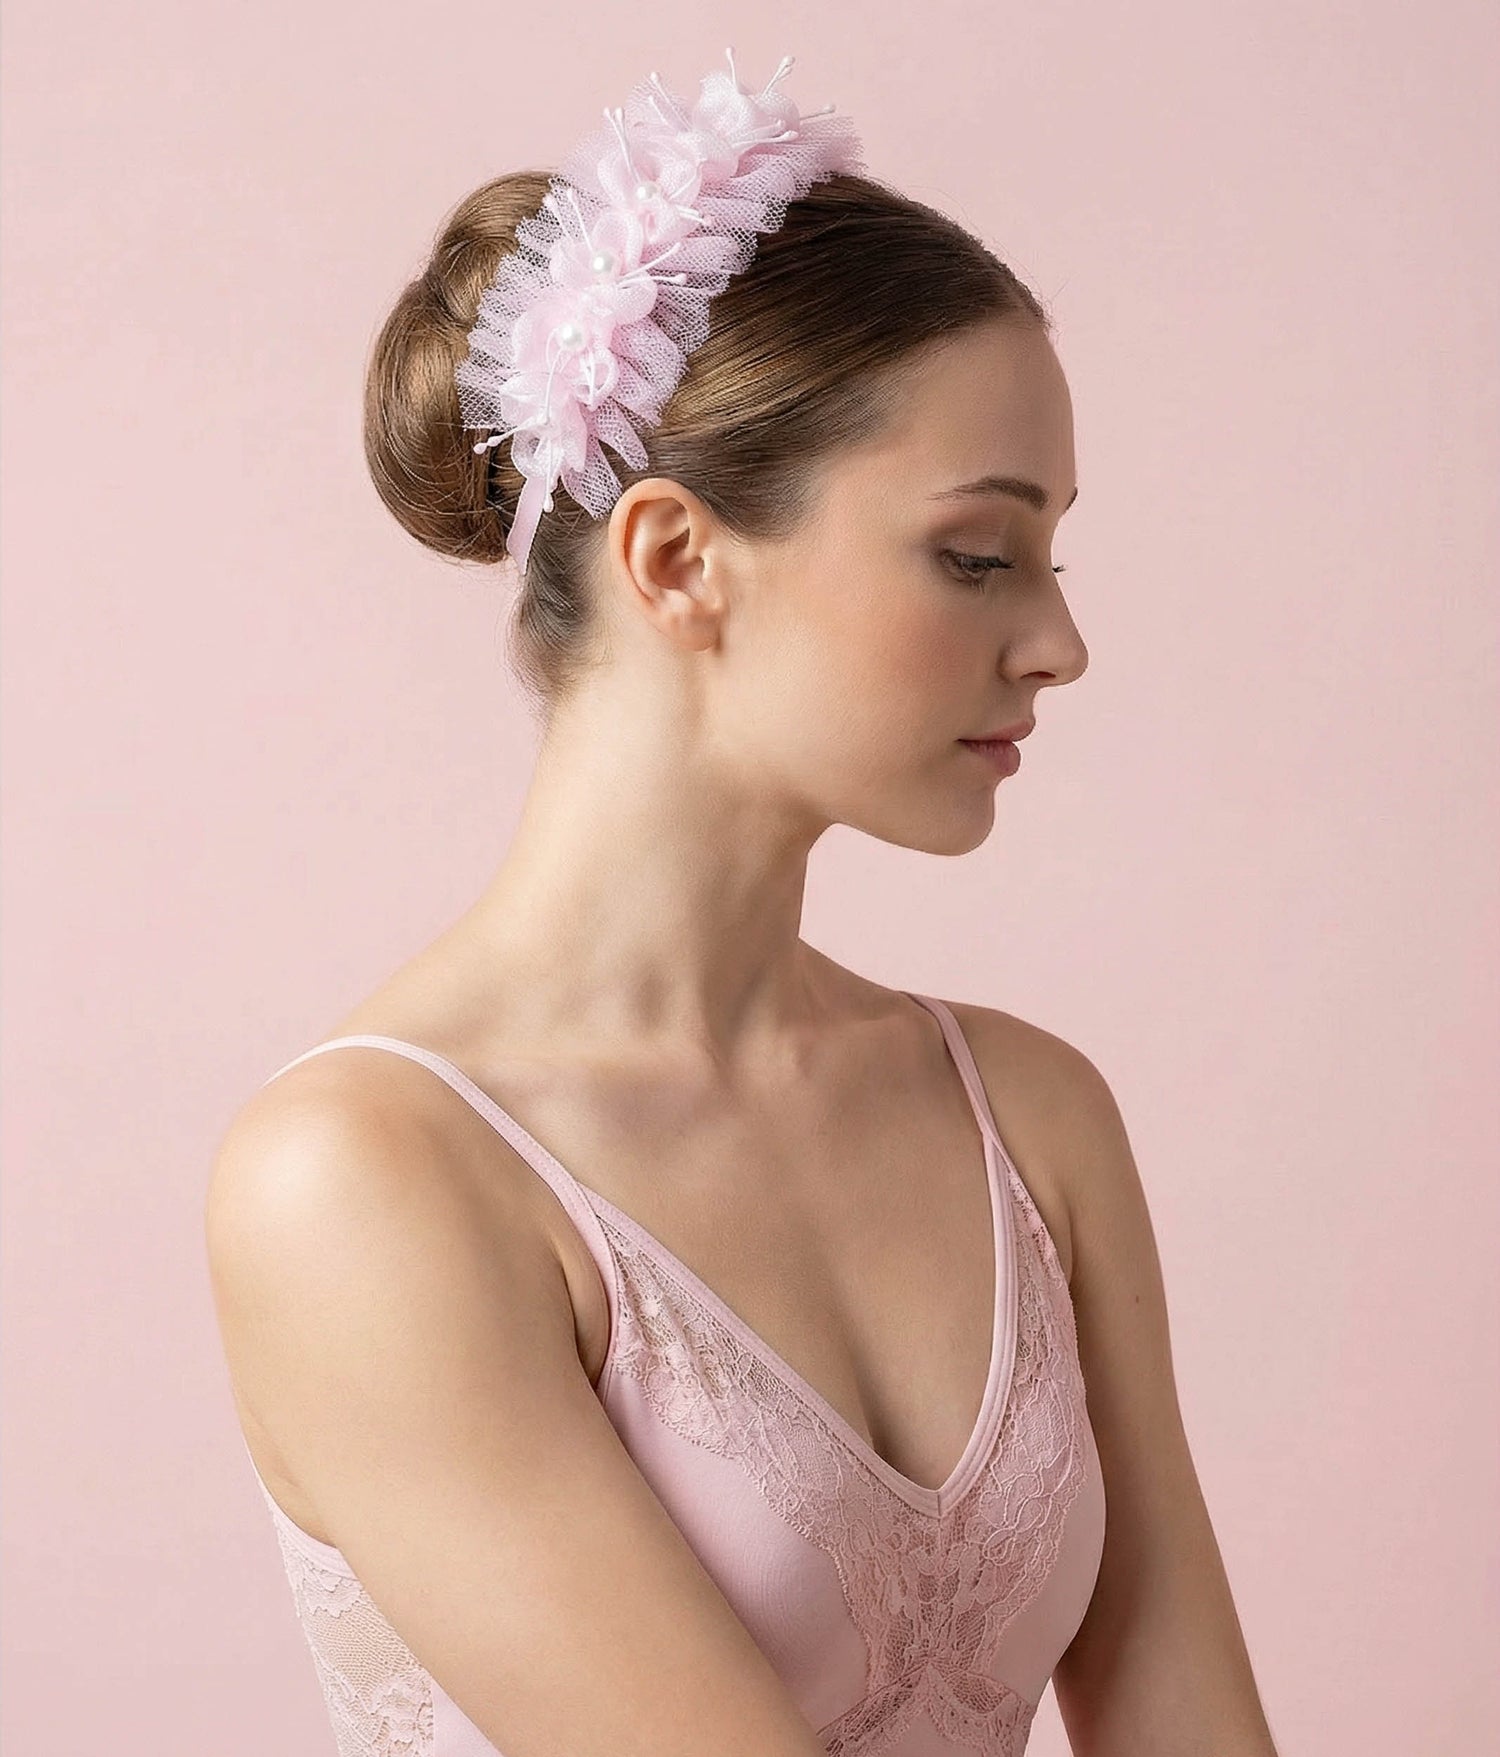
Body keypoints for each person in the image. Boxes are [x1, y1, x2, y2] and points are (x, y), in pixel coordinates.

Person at [205, 49, 1279, 1757]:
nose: (1059, 642)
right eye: (978, 555)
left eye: (1054, 555)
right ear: (676, 558)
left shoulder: (1030, 1118)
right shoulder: (363, 1180)